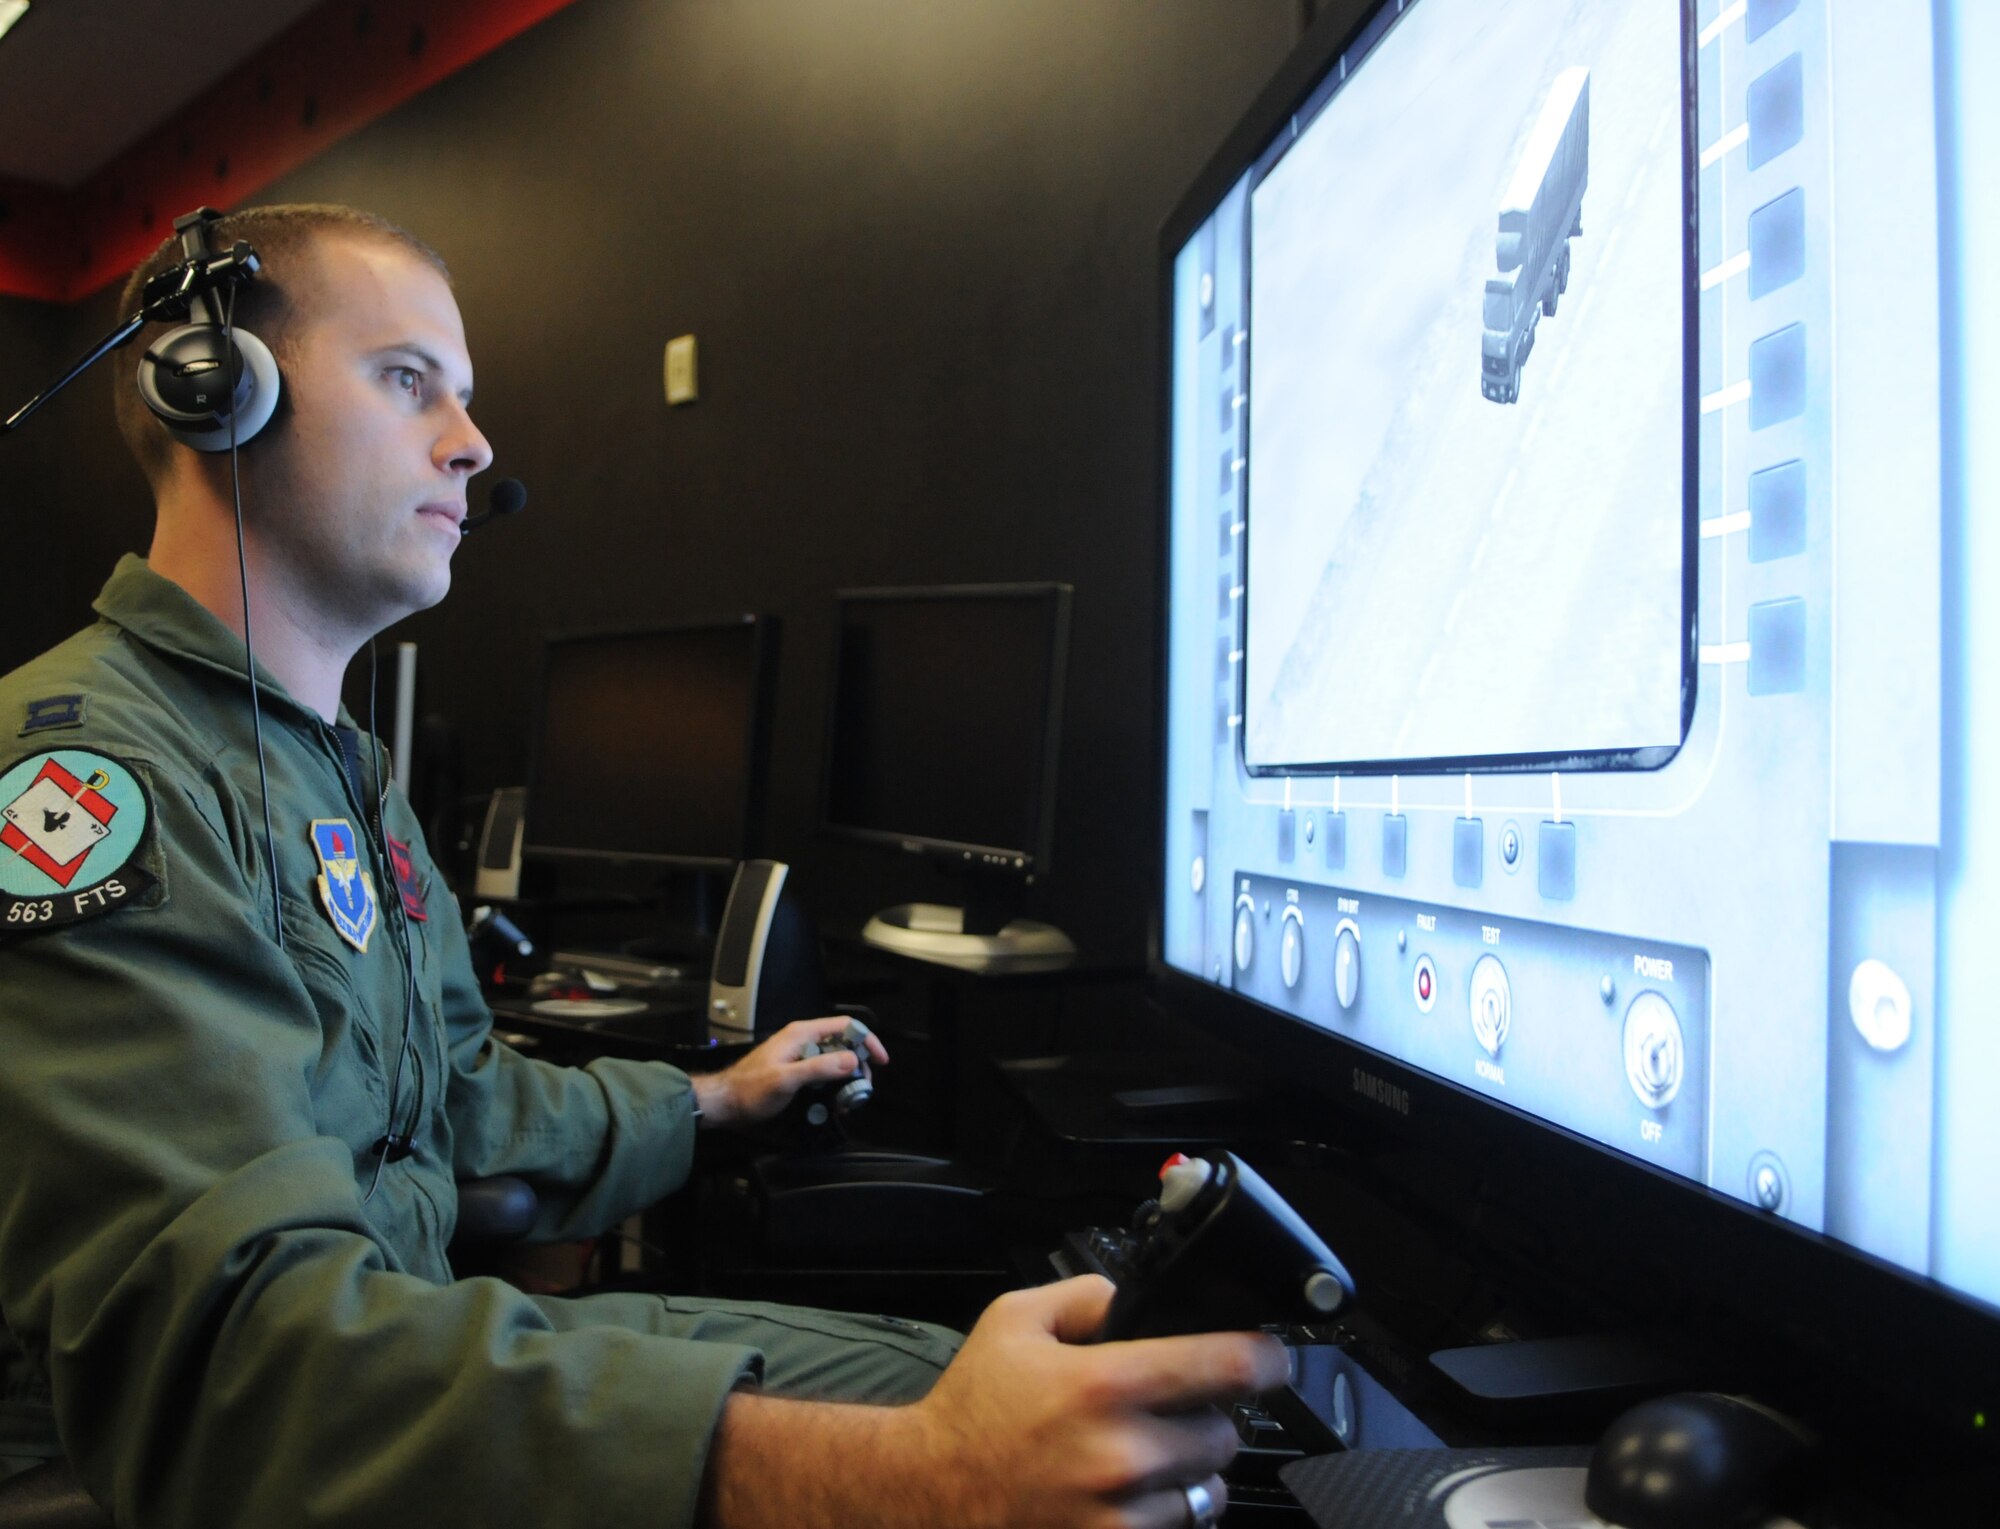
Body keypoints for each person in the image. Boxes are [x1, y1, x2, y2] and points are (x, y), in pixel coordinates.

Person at [0, 204, 1286, 1528]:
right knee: (964, 1450)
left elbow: (460, 1100)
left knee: (1016, 1388)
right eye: (407, 380)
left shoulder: (339, 772)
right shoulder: (91, 782)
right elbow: (223, 1365)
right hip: (246, 1453)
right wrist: (908, 1478)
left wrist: (714, 1099)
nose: (473, 441)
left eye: (468, 394)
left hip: (403, 1355)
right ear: (218, 397)